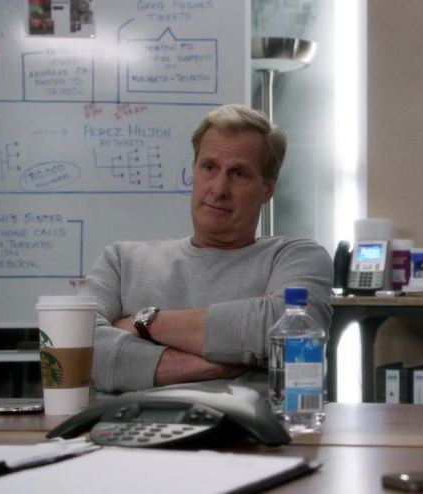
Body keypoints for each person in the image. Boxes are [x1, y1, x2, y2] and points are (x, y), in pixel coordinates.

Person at [82, 104, 333, 393]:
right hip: (131, 420)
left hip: (249, 422)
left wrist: (144, 323)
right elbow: (77, 344)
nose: (219, 189)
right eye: (209, 167)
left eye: (239, 173)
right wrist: (210, 366)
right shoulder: (121, 262)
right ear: (194, 171)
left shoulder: (295, 258)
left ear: (268, 189)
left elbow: (289, 328)